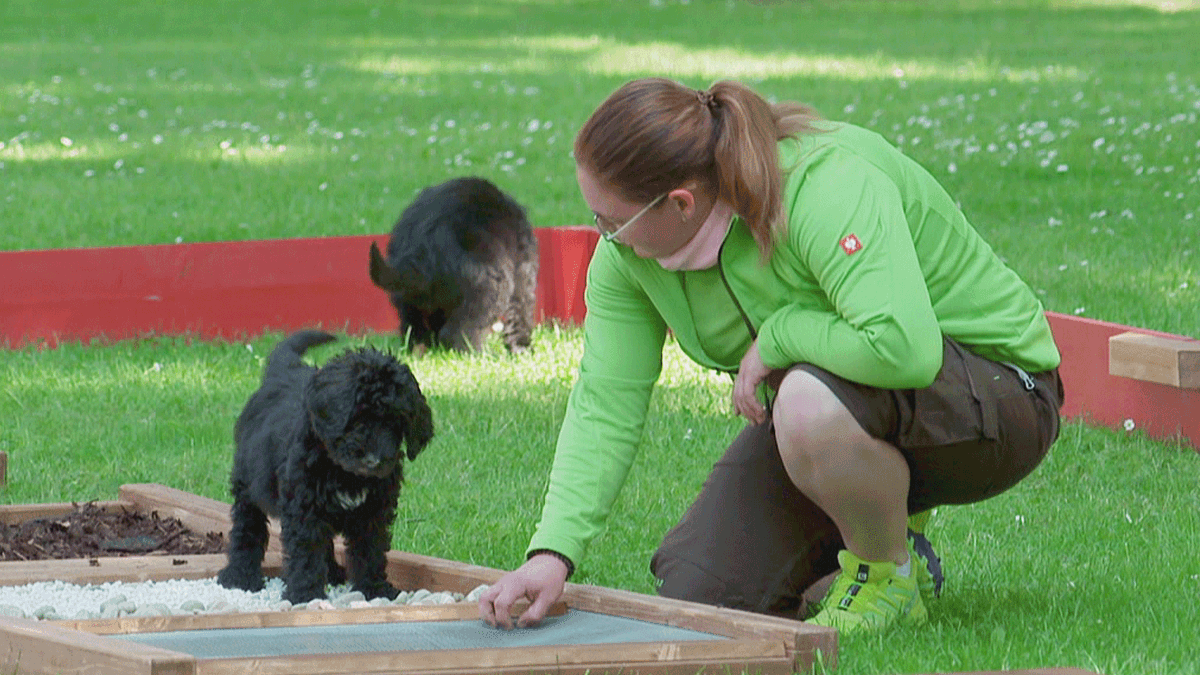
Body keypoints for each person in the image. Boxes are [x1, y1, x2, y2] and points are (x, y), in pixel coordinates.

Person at [479, 77, 1064, 634]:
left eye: (612, 221)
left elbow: (903, 348)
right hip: (844, 404)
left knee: (807, 398)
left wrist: (780, 336)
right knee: (700, 597)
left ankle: (886, 575)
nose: (603, 234)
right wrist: (552, 553)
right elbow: (605, 400)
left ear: (680, 203)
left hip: (1000, 396)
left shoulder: (823, 182)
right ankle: (887, 525)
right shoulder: (628, 264)